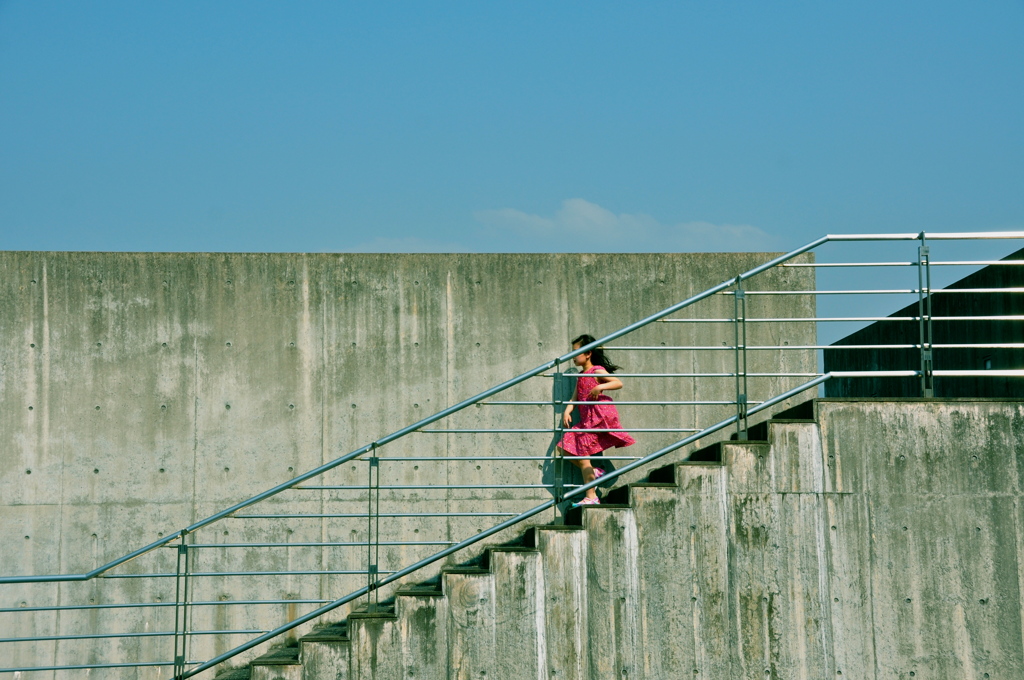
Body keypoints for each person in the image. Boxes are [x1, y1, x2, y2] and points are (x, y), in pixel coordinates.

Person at [557, 334, 636, 507]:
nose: (573, 356)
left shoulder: (596, 370)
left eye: (577, 352)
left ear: (588, 354)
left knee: (582, 456)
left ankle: (591, 496)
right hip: (586, 421)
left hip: (597, 419)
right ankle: (594, 472)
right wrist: (567, 411)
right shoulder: (581, 375)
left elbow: (617, 383)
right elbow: (574, 398)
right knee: (562, 449)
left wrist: (600, 386)